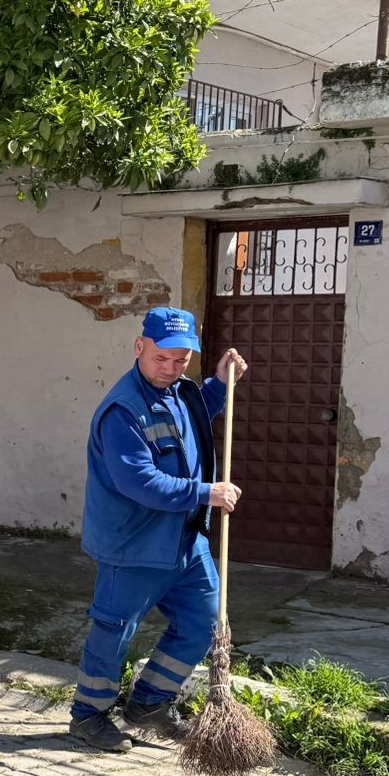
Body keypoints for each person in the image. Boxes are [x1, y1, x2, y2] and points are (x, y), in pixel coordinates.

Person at [70, 305, 250, 752]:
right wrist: (206, 493)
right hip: (133, 545)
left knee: (205, 622)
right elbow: (139, 482)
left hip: (185, 542)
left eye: (180, 361)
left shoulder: (178, 390)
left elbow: (195, 412)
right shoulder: (122, 412)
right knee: (114, 632)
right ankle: (89, 715)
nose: (169, 369)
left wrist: (221, 384)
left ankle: (149, 702)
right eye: (161, 359)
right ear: (139, 347)